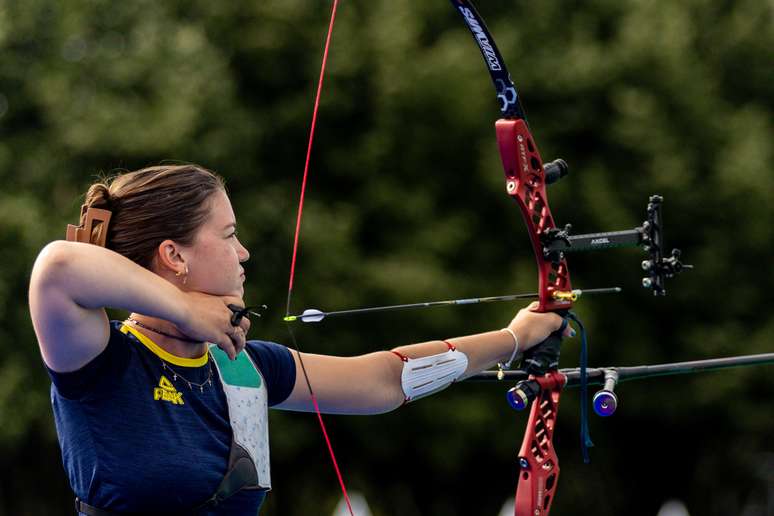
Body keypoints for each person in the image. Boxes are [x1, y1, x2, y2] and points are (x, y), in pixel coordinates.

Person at [28, 164, 570, 514]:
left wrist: (513, 338)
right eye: (229, 235)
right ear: (174, 256)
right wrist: (187, 311)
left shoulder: (241, 366)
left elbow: (384, 379)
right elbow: (58, 266)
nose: (243, 253)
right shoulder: (102, 360)